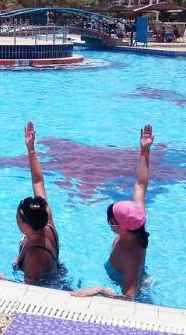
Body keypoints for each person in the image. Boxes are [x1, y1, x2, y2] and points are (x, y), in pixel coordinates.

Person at [72, 124, 154, 300]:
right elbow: (141, 184)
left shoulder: (131, 257)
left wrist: (100, 290)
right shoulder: (137, 223)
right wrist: (145, 151)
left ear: (122, 227)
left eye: (111, 220)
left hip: (137, 293)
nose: (108, 222)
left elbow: (128, 299)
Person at [0, 121, 60, 284]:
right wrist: (31, 149)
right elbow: (38, 181)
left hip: (47, 286)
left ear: (25, 226)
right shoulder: (46, 221)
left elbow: (27, 291)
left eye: (17, 218)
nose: (16, 219)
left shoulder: (35, 257)